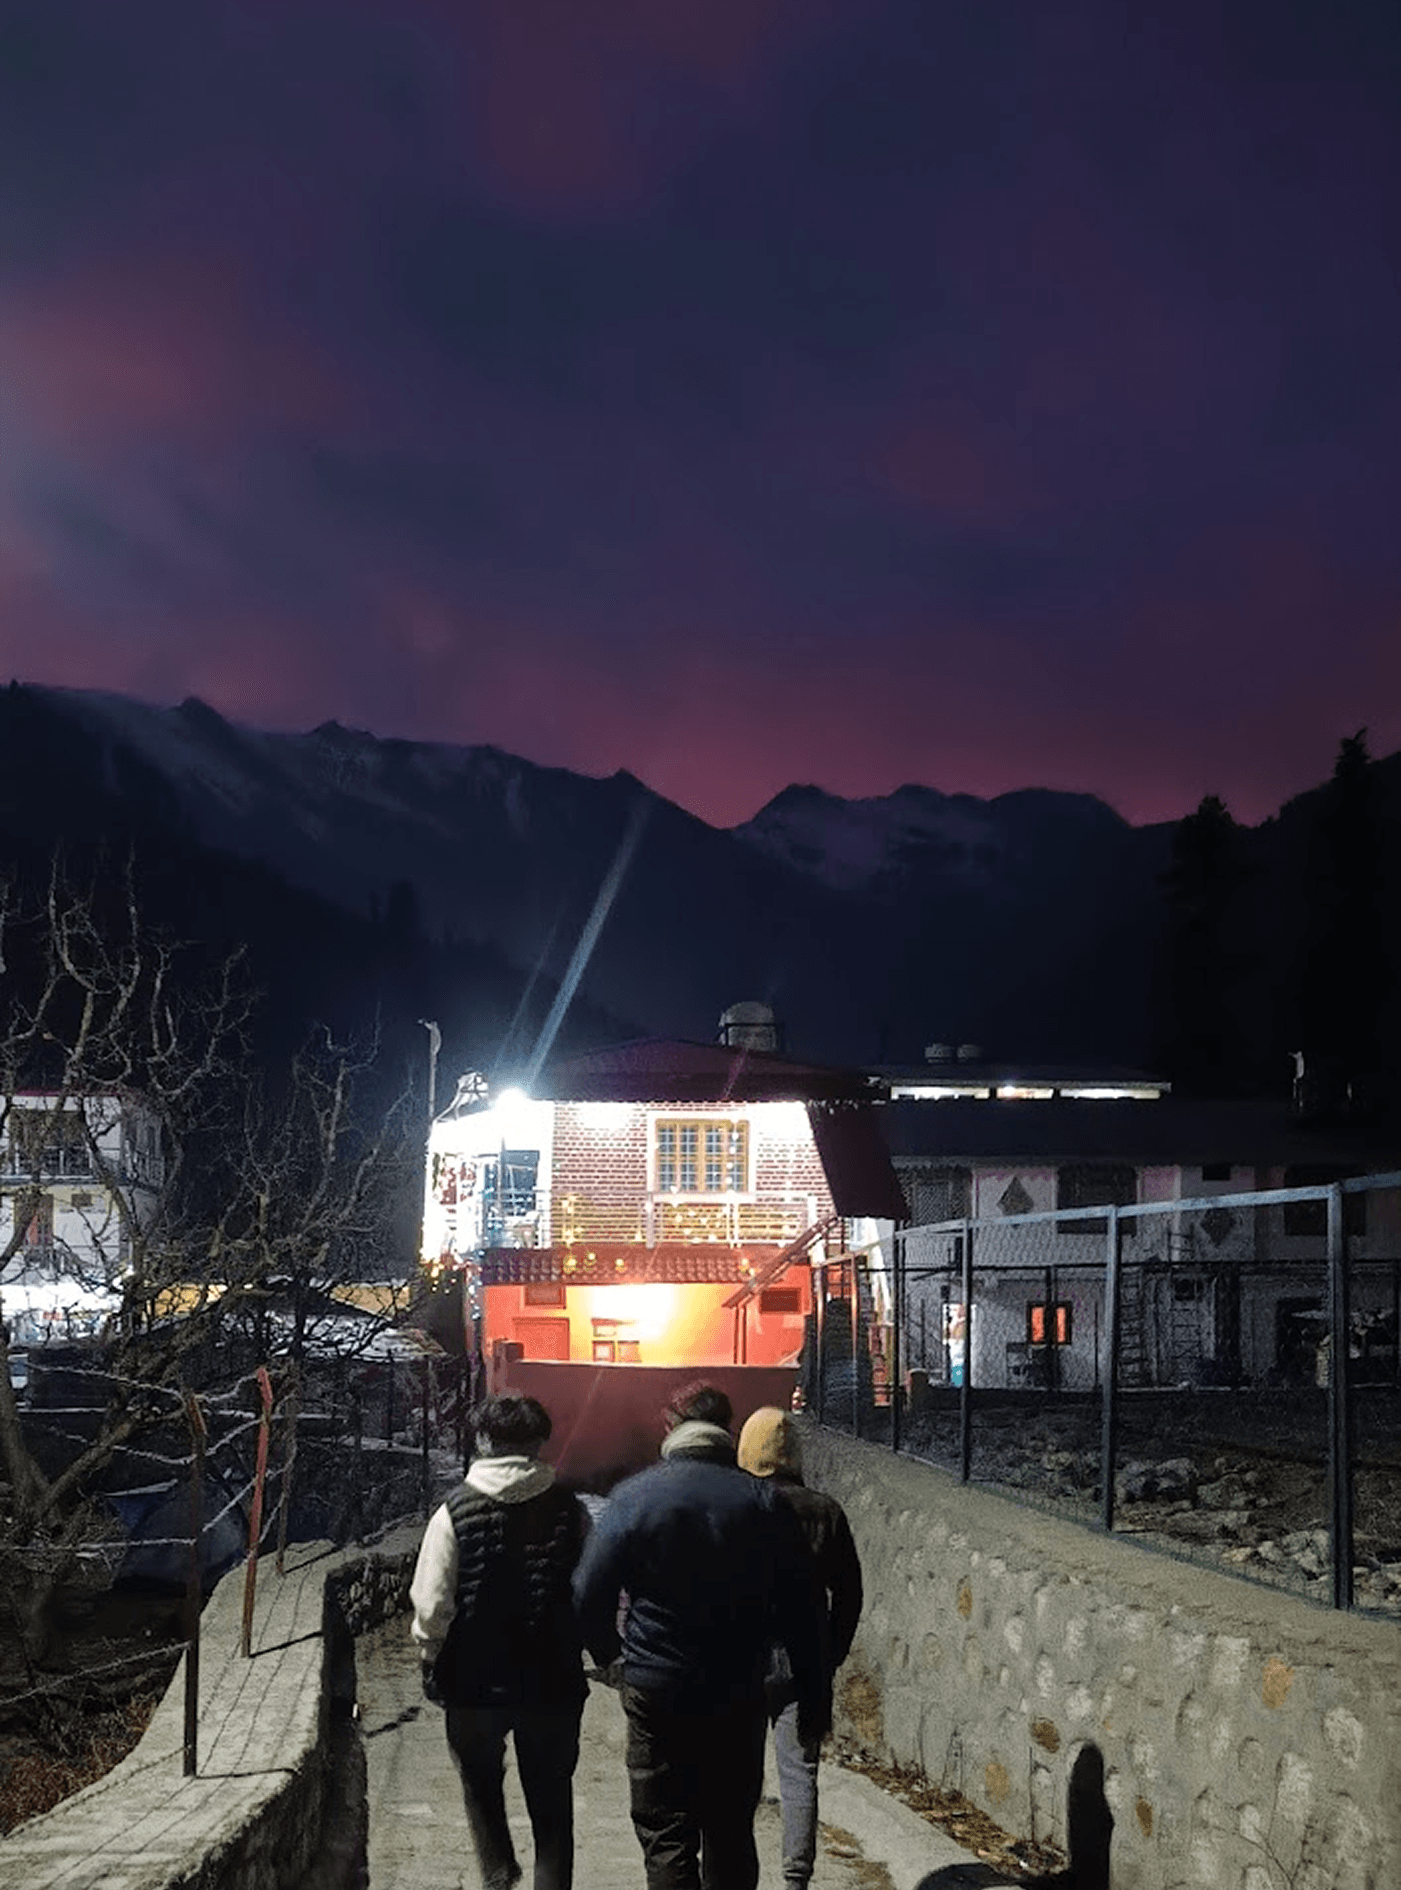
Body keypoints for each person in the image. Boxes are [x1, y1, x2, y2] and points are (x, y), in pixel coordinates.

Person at [573, 1381, 828, 1890]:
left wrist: (613, 1657)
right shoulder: (764, 1503)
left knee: (666, 1830)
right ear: (726, 1431)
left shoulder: (634, 1498)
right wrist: (813, 1694)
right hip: (737, 1689)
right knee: (730, 1828)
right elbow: (804, 1607)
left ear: (672, 1428)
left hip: (656, 1686)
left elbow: (586, 1593)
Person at [410, 1393, 588, 1890]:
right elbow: (589, 1588)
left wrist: (429, 1656)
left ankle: (498, 1874)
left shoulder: (454, 1513)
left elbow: (432, 1603)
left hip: (472, 1682)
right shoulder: (570, 1511)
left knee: (481, 1787)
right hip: (552, 1680)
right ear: (537, 1443)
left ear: (484, 1441)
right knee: (552, 1801)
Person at [737, 1406, 863, 1890]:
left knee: (739, 1774)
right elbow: (849, 1592)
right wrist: (831, 1651)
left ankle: (737, 1873)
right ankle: (795, 1880)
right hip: (806, 1662)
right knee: (799, 1774)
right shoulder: (826, 1511)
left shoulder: (737, 1505)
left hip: (743, 1661)